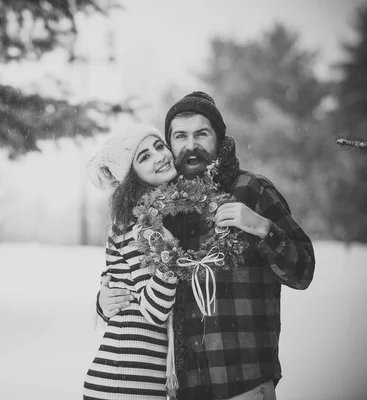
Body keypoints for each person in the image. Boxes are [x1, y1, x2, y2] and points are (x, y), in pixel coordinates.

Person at [97, 92, 316, 400]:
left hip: (244, 383)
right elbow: (135, 280)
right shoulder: (160, 208)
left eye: (201, 134)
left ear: (219, 137)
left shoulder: (251, 190)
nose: (190, 145)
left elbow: (302, 271)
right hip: (181, 389)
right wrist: (106, 299)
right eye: (179, 136)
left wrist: (261, 227)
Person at [84, 125, 180, 399]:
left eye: (159, 146)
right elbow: (154, 310)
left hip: (130, 381)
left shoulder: (145, 216)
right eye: (144, 157)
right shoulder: (141, 225)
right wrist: (169, 255)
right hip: (125, 384)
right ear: (132, 176)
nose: (160, 156)